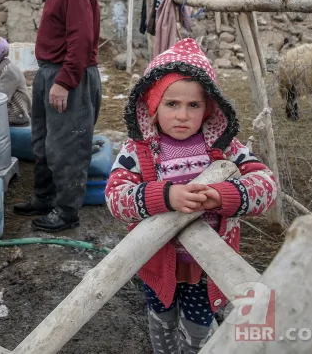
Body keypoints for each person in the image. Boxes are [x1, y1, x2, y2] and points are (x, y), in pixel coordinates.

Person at [105, 38, 277, 353]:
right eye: (172, 104)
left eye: (193, 105)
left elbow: (266, 186)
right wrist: (165, 197)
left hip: (207, 265)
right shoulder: (138, 152)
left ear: (209, 107)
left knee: (201, 330)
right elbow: (116, 198)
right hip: (157, 263)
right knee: (162, 320)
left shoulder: (224, 148)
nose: (183, 115)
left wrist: (221, 195)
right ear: (151, 106)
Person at [13, 0, 102, 232]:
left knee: (67, 145)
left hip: (67, 76)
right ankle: (45, 196)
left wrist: (64, 81)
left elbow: (81, 39)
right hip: (50, 72)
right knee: (43, 139)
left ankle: (66, 211)